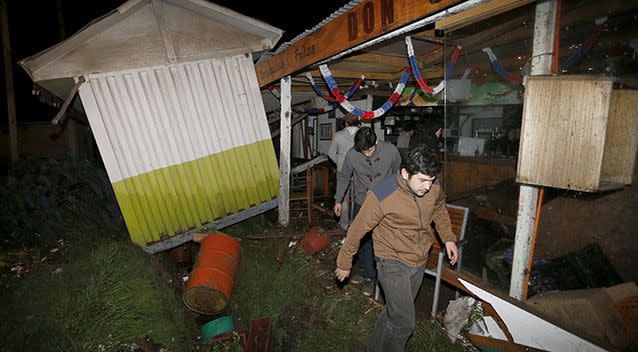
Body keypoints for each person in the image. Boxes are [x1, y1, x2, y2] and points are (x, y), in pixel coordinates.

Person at [335, 145, 459, 352]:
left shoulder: (432, 184)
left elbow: (439, 208)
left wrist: (448, 238)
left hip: (418, 260)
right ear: (404, 173)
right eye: (422, 180)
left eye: (431, 180)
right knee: (403, 321)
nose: (428, 186)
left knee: (395, 312)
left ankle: (374, 348)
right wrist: (344, 262)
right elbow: (357, 229)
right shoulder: (382, 193)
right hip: (390, 260)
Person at [334, 126, 401, 296]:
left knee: (383, 240)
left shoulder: (391, 151)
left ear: (376, 141)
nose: (366, 154)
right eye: (362, 151)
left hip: (385, 202)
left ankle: (383, 276)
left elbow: (399, 175)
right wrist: (338, 199)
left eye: (369, 150)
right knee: (361, 239)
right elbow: (344, 177)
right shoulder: (351, 155)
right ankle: (367, 275)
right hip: (362, 201)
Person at [328, 113, 360, 230]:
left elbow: (331, 153)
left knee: (343, 197)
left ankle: (344, 223)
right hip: (358, 170)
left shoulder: (338, 135)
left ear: (345, 123)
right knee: (357, 196)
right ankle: (355, 222)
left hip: (342, 170)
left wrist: (340, 162)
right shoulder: (361, 135)